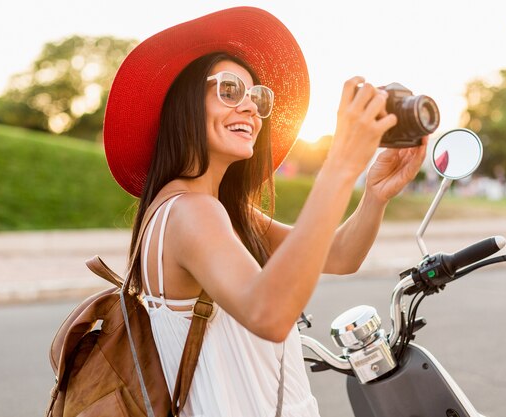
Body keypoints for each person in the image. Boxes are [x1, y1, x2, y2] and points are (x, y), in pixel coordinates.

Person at [103, 6, 427, 417]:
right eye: (230, 91)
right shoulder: (190, 212)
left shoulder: (216, 212)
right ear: (184, 104)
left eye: (257, 97)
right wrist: (341, 164)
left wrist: (375, 195)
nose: (251, 108)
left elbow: (341, 255)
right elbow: (269, 313)